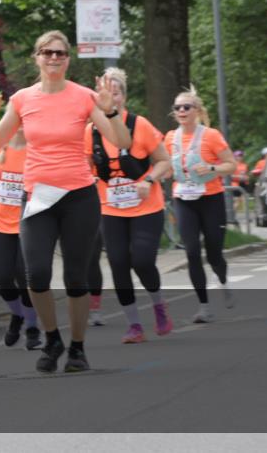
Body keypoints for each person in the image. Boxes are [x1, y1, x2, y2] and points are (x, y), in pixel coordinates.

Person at [0, 30, 131, 374]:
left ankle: (77, 347)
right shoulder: (22, 99)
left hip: (78, 196)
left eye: (60, 53)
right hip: (39, 196)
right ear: (37, 57)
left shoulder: (85, 96)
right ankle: (51, 338)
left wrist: (111, 111)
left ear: (68, 59)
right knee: (37, 274)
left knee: (76, 277)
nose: (54, 58)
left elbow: (120, 141)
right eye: (47, 52)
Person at [84, 68, 174, 344]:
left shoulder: (140, 125)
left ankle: (159, 306)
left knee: (142, 260)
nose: (111, 97)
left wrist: (148, 179)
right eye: (105, 92)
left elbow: (164, 162)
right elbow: (86, 167)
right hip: (110, 208)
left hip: (146, 206)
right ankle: (134, 324)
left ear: (123, 96)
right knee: (118, 263)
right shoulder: (91, 131)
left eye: (116, 92)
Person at [164, 87, 237, 324]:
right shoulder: (169, 138)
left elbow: (231, 165)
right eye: (178, 108)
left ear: (197, 111)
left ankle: (223, 282)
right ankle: (203, 306)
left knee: (214, 252)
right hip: (184, 199)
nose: (182, 111)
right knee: (192, 251)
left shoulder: (211, 135)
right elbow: (164, 167)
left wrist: (212, 168)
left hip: (211, 198)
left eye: (187, 107)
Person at [0, 129, 42, 349]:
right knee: (1, 277)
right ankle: (17, 314)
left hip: (28, 223)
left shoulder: (38, 151)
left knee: (24, 278)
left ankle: (32, 327)